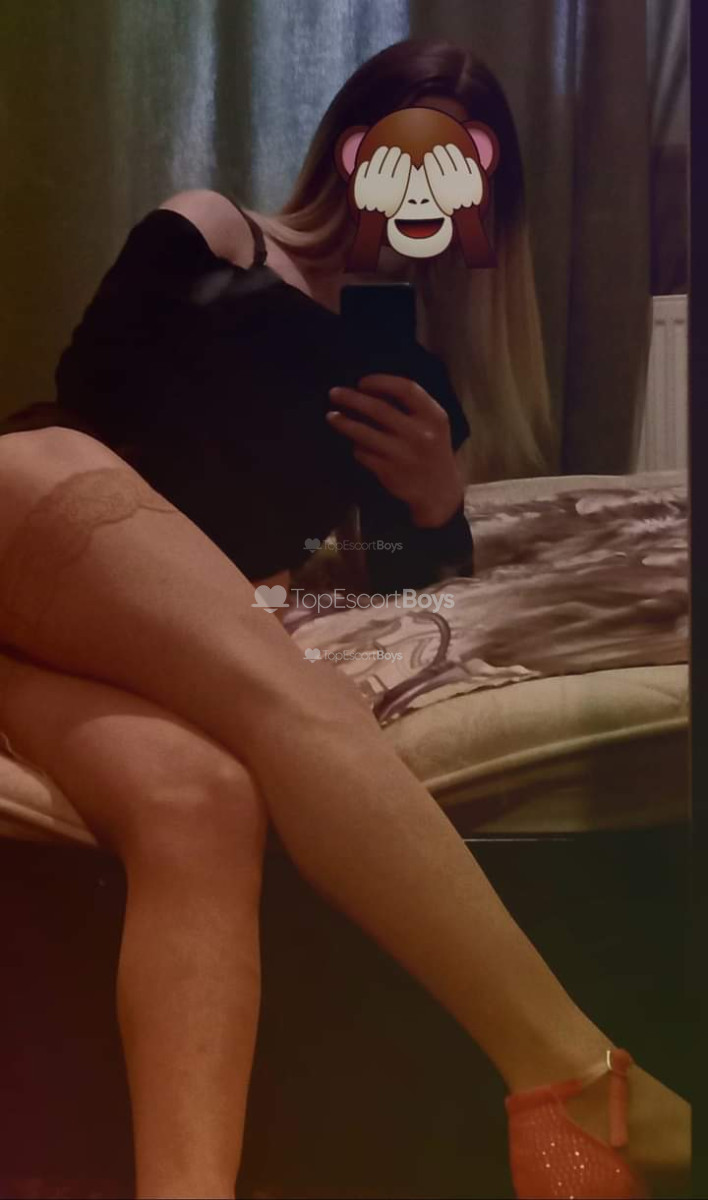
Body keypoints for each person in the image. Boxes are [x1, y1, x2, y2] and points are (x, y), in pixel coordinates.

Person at [0, 39, 688, 1200]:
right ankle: (575, 1076)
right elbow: (90, 386)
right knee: (287, 692)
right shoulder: (218, 234)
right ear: (352, 149)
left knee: (200, 801)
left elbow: (402, 573)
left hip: (64, 647)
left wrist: (436, 502)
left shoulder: (413, 371)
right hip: (41, 504)